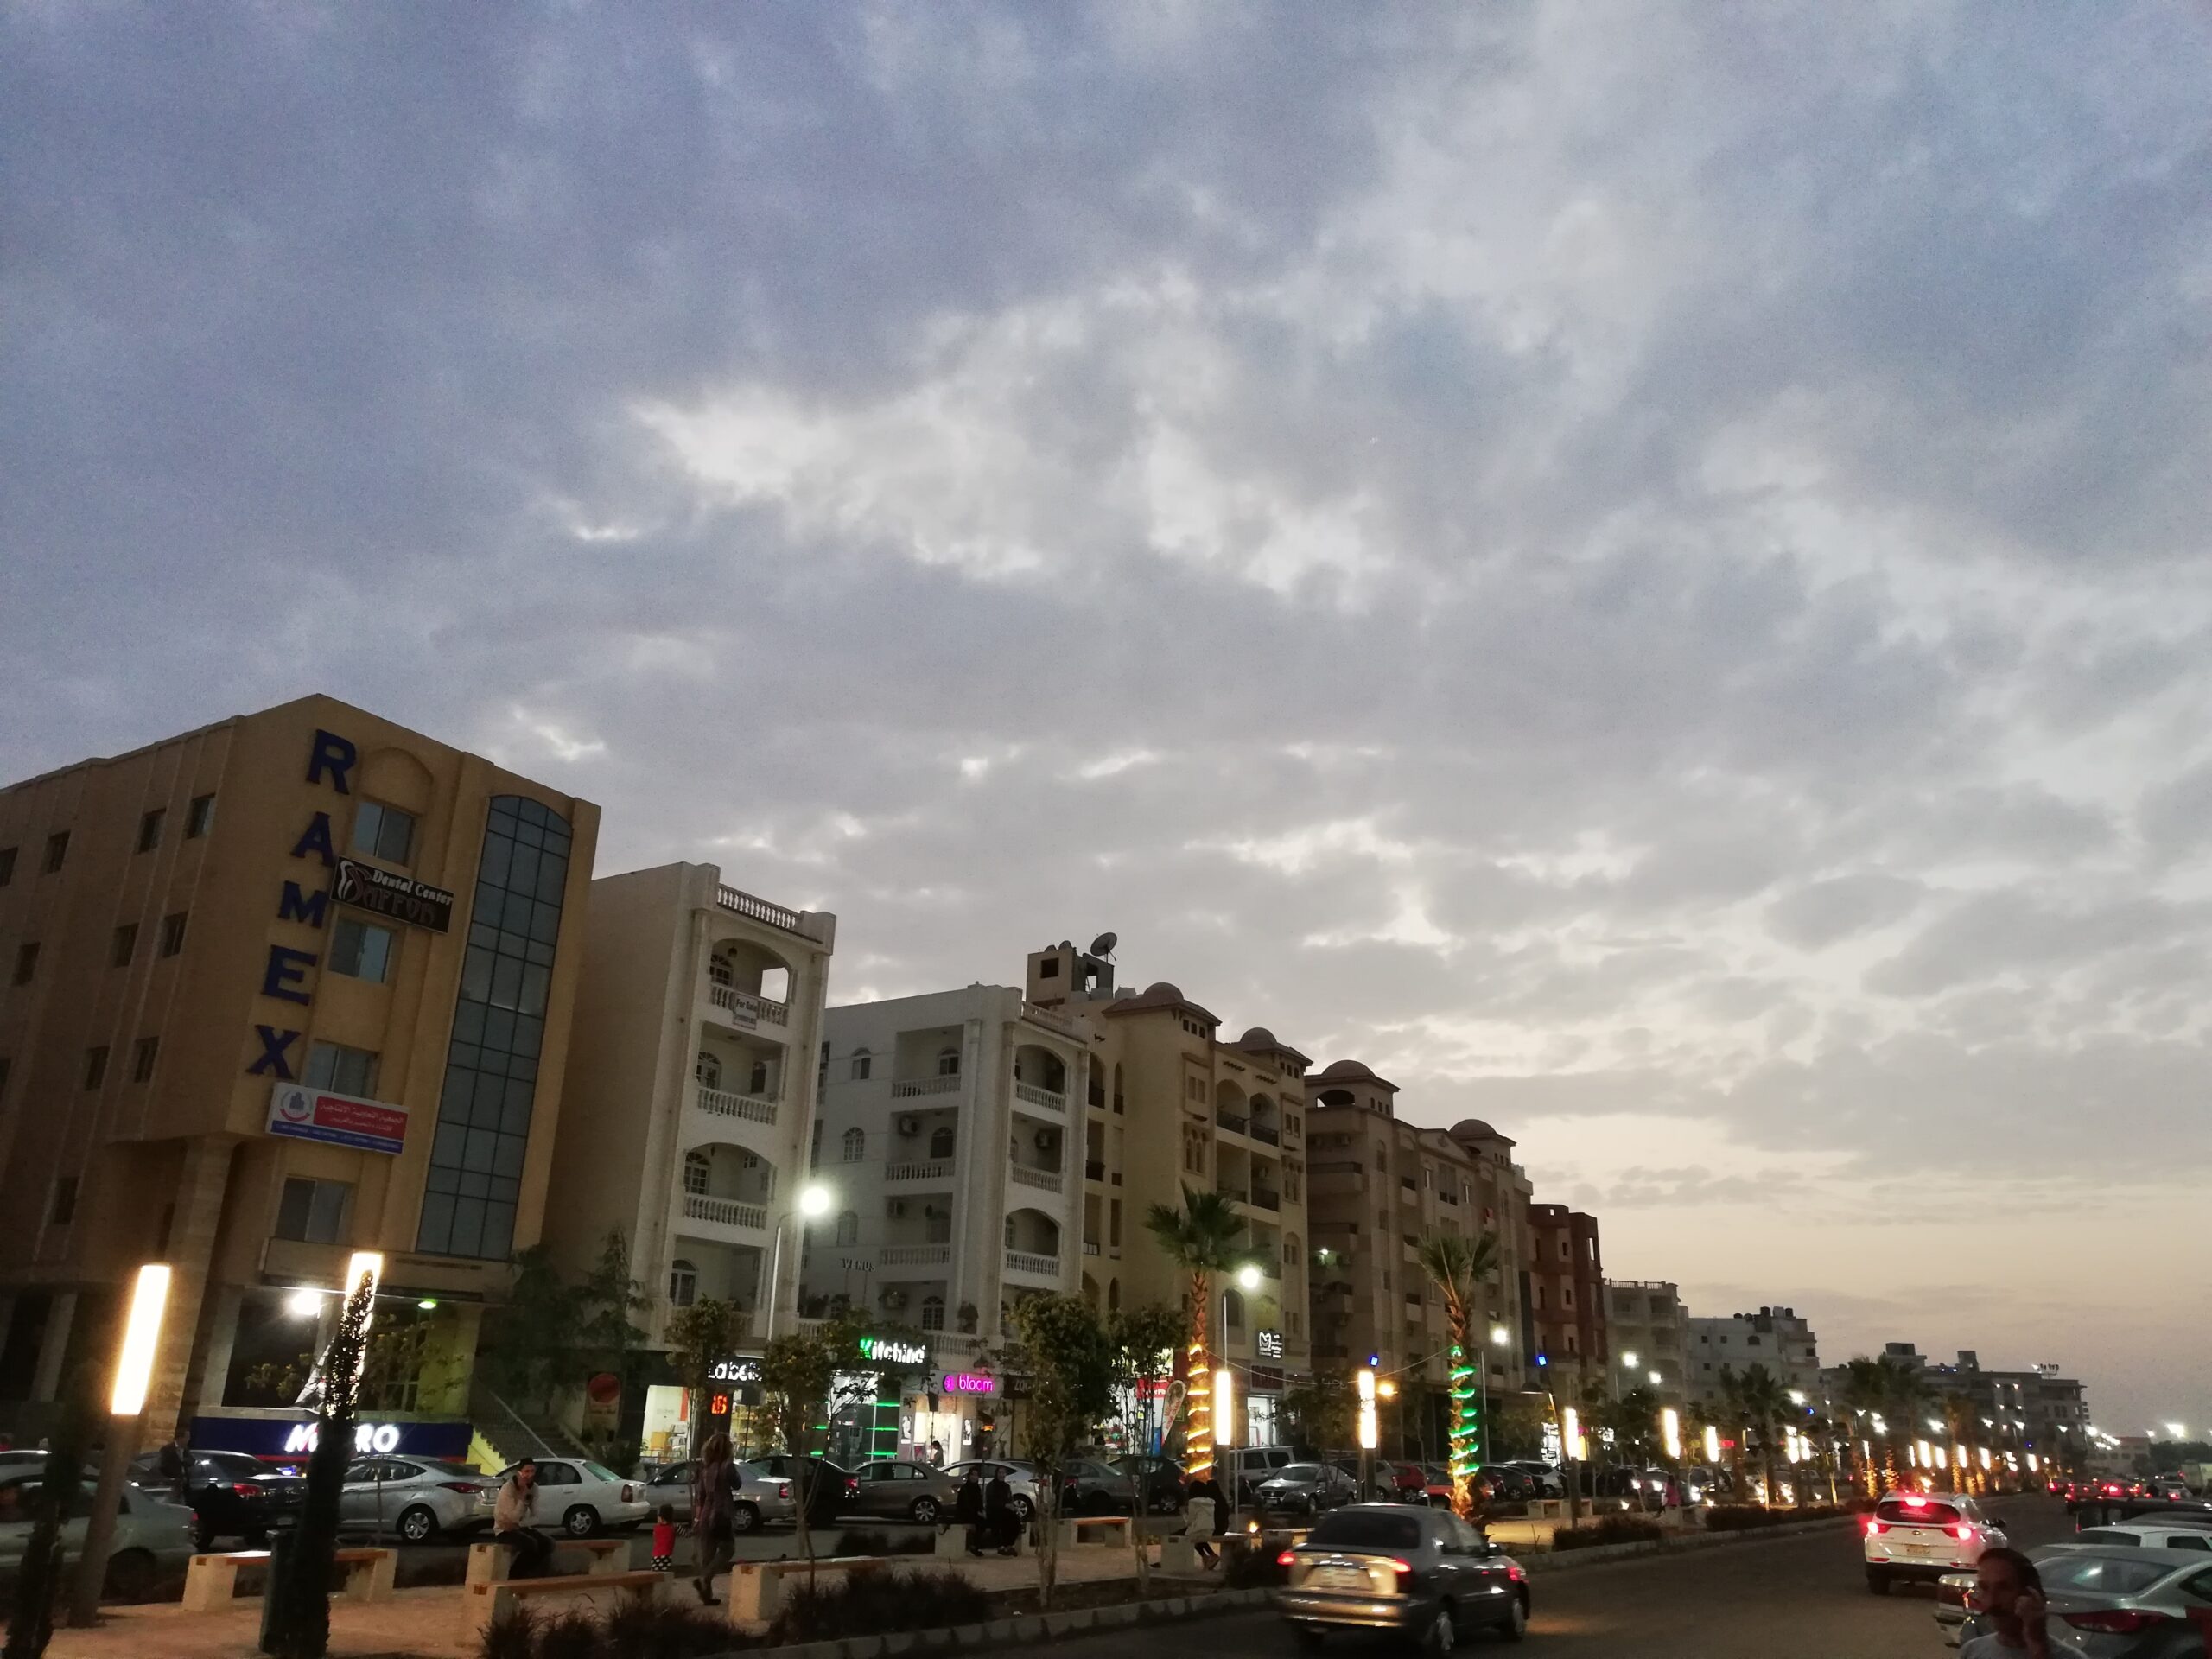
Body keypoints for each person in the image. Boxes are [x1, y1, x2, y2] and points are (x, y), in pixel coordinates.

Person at [1960, 1548, 2050, 1659]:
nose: (1992, 1601)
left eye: (2003, 1589)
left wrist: (2037, 1645)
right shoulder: (1972, 1651)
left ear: (2029, 1594)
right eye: (1984, 1588)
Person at [690, 1433, 738, 1605]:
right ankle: (705, 1578)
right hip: (721, 1514)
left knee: (708, 1556)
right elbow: (737, 1483)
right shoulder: (727, 1466)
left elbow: (700, 1497)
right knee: (728, 1549)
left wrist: (697, 1519)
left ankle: (707, 1596)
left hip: (705, 1516)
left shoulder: (705, 1469)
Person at [493, 1459, 554, 1578]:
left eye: (532, 1471)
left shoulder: (534, 1488)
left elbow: (536, 1517)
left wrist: (521, 1524)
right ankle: (514, 1576)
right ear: (520, 1473)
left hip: (520, 1526)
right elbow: (511, 1518)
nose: (530, 1475)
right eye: (526, 1471)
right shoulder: (508, 1488)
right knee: (530, 1544)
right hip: (504, 1529)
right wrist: (522, 1499)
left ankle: (526, 1573)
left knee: (548, 1544)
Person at [1185, 1471, 1221, 1568]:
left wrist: (1185, 1519)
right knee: (1198, 1538)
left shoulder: (1193, 1502)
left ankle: (1207, 1556)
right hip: (1210, 1528)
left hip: (1199, 1527)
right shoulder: (1211, 1502)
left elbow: (1191, 1519)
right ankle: (1209, 1556)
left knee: (1189, 1537)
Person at [984, 1467, 1019, 1556]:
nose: (1002, 1475)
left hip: (1005, 1512)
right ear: (996, 1474)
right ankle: (1001, 1546)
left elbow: (1010, 1499)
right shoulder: (991, 1486)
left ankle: (1009, 1545)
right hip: (993, 1511)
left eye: (1003, 1473)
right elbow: (991, 1502)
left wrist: (1012, 1506)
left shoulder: (1007, 1486)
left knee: (1016, 1521)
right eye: (1000, 1473)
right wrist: (1004, 1505)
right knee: (1000, 1520)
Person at [955, 1466, 987, 1556]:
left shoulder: (977, 1488)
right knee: (981, 1522)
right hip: (965, 1513)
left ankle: (976, 1545)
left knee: (985, 1521)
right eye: (973, 1475)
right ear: (969, 1476)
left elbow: (979, 1503)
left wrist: (982, 1511)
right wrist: (978, 1513)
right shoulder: (965, 1488)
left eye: (976, 1475)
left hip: (975, 1513)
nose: (974, 1477)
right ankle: (975, 1546)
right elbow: (966, 1505)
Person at [650, 1503, 678, 1573]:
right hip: (666, 1555)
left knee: (656, 1573)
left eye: (658, 1516)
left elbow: (655, 1540)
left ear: (662, 1517)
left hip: (655, 1555)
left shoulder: (656, 1528)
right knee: (664, 1573)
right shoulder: (674, 1527)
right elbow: (687, 1534)